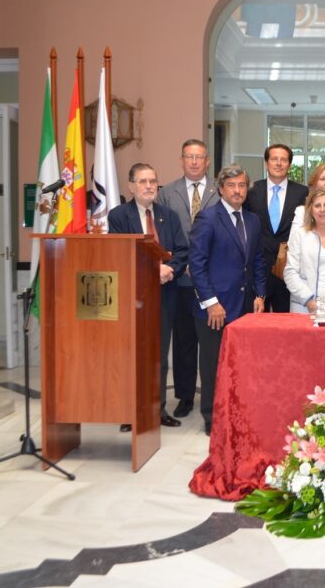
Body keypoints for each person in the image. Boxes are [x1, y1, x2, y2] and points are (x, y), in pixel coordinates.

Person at [107, 163, 189, 429]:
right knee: (134, 356)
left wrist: (170, 270)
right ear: (131, 186)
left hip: (164, 296)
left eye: (153, 181)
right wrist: (153, 269)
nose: (149, 186)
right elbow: (120, 252)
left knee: (158, 356)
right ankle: (132, 412)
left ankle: (158, 409)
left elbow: (181, 251)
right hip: (134, 297)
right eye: (142, 181)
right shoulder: (119, 216)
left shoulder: (169, 216)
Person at [190, 164, 267, 435]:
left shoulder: (253, 220)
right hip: (216, 309)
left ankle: (237, 411)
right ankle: (212, 418)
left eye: (242, 185)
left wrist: (260, 294)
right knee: (213, 364)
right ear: (221, 188)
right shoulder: (208, 218)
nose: (237, 190)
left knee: (240, 364)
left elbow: (257, 261)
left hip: (245, 308)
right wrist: (211, 302)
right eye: (232, 185)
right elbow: (197, 264)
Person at [156, 139, 219, 420]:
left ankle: (213, 397)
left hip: (212, 281)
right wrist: (180, 264)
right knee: (183, 342)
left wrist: (203, 265)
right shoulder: (166, 193)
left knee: (211, 343)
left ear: (207, 161)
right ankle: (184, 396)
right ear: (181, 160)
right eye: (189, 157)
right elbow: (162, 236)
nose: (194, 162)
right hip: (180, 280)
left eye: (199, 157)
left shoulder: (222, 192)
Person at [244, 144, 308, 314]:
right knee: (258, 329)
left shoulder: (303, 193)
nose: (278, 163)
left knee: (288, 329)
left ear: (289, 164)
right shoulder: (251, 191)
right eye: (274, 159)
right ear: (266, 163)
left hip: (289, 270)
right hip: (258, 270)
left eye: (283, 160)